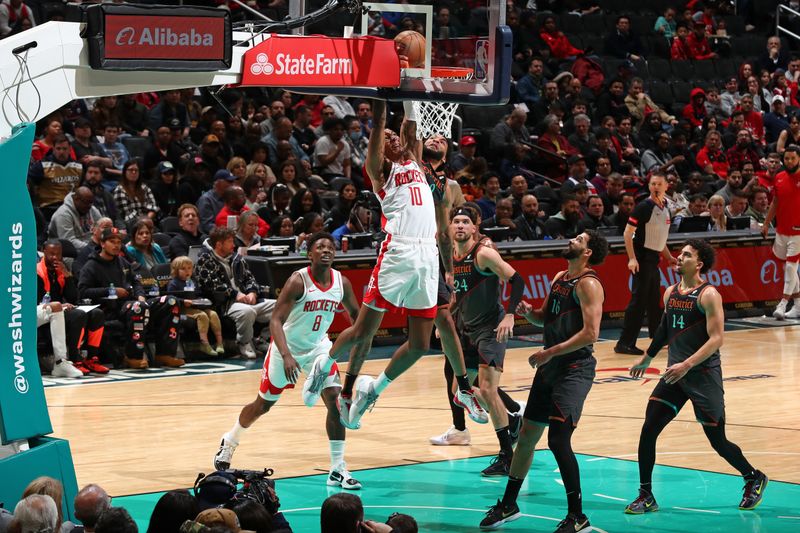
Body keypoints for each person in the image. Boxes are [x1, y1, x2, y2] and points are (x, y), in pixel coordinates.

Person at [302, 99, 488, 431]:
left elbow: (412, 125)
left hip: (427, 256)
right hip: (398, 253)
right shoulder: (381, 172)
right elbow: (379, 126)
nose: (392, 137)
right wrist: (380, 103)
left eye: (393, 134)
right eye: (386, 136)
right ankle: (324, 366)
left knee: (420, 343)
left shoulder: (415, 162)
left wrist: (411, 89)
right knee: (362, 331)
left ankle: (374, 389)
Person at [625, 239, 768, 514]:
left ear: (699, 264)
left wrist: (686, 364)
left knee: (718, 442)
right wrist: (648, 356)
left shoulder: (709, 295)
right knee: (648, 429)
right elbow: (665, 328)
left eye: (686, 255)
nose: (679, 257)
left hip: (702, 376)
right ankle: (646, 495)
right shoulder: (670, 293)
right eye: (680, 254)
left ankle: (753, 476)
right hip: (676, 376)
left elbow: (717, 339)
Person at [214, 233, 365, 489]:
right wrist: (285, 355)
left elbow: (357, 318)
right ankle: (230, 441)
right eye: (320, 247)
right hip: (287, 349)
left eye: (331, 247)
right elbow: (275, 320)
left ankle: (338, 468)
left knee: (335, 401)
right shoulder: (298, 280)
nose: (326, 250)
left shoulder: (343, 283)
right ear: (310, 254)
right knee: (263, 405)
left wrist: (359, 338)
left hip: (319, 349)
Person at [480, 230, 608, 533]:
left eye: (579, 239)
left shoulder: (589, 285)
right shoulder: (561, 277)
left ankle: (578, 516)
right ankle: (509, 504)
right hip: (550, 368)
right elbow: (543, 318)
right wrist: (529, 314)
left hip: (574, 369)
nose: (573, 240)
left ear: (588, 252)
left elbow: (591, 333)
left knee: (558, 440)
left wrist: (550, 351)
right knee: (526, 437)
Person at [450, 206, 523, 476]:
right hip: (468, 329)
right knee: (461, 389)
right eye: (455, 221)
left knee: (489, 390)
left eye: (465, 222)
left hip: (491, 329)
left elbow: (518, 280)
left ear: (473, 228)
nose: (459, 225)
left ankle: (507, 455)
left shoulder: (484, 254)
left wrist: (511, 315)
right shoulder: (454, 255)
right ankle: (513, 422)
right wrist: (447, 318)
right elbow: (460, 292)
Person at [78, 227, 183, 369]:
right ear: (102, 244)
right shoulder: (91, 266)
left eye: (119, 242)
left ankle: (165, 354)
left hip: (133, 303)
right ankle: (133, 356)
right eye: (112, 241)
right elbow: (83, 291)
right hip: (109, 308)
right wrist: (111, 291)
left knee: (171, 301)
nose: (116, 245)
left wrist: (140, 295)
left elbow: (136, 281)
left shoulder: (122, 262)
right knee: (139, 307)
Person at [615, 173, 677, 355]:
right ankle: (624, 343)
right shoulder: (643, 207)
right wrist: (632, 258)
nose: (656, 186)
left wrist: (668, 257)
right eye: (652, 184)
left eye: (659, 183)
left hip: (653, 259)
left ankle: (658, 338)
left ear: (667, 186)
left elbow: (659, 238)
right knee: (638, 302)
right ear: (649, 186)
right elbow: (628, 234)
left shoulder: (666, 208)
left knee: (653, 301)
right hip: (641, 259)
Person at [195, 227, 275, 359]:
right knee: (247, 312)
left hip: (246, 300)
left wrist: (252, 292)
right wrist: (235, 294)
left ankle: (262, 338)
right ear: (219, 244)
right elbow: (212, 286)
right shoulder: (204, 260)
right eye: (230, 241)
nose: (234, 245)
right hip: (224, 304)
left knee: (281, 307)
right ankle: (244, 342)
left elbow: (250, 278)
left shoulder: (237, 259)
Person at [38, 240, 108, 375]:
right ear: (44, 252)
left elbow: (72, 299)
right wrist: (62, 305)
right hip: (45, 313)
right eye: (51, 254)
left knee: (96, 313)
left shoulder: (60, 270)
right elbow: (37, 302)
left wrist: (67, 276)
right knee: (78, 315)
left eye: (58, 254)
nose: (55, 257)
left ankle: (93, 359)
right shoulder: (37, 271)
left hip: (60, 310)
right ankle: (75, 360)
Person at [761, 145, 800, 319]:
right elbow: (775, 203)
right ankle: (798, 306)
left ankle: (783, 303)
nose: (789, 161)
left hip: (798, 231)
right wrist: (766, 223)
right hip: (781, 229)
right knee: (786, 266)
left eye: (793, 158)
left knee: (792, 266)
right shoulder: (779, 177)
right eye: (787, 158)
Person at [168, 256, 224, 357]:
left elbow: (197, 294)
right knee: (202, 316)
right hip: (182, 309)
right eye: (183, 269)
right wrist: (183, 301)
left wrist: (201, 300)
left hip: (195, 306)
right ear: (176, 271)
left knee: (213, 314)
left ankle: (219, 342)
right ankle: (204, 344)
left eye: (189, 268)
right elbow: (171, 299)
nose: (187, 271)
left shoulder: (193, 281)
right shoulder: (173, 283)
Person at [48, 187, 103, 251]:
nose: (89, 206)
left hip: (91, 247)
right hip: (66, 252)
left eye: (91, 202)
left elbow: (103, 227)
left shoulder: (90, 208)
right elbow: (69, 242)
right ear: (76, 199)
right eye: (86, 202)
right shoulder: (63, 214)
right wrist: (94, 247)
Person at [113, 159, 159, 227]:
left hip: (148, 223)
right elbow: (127, 214)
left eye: (136, 170)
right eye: (131, 170)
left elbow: (153, 207)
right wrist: (144, 222)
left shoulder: (144, 187)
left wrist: (147, 220)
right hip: (130, 226)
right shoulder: (119, 190)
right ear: (125, 172)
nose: (134, 172)